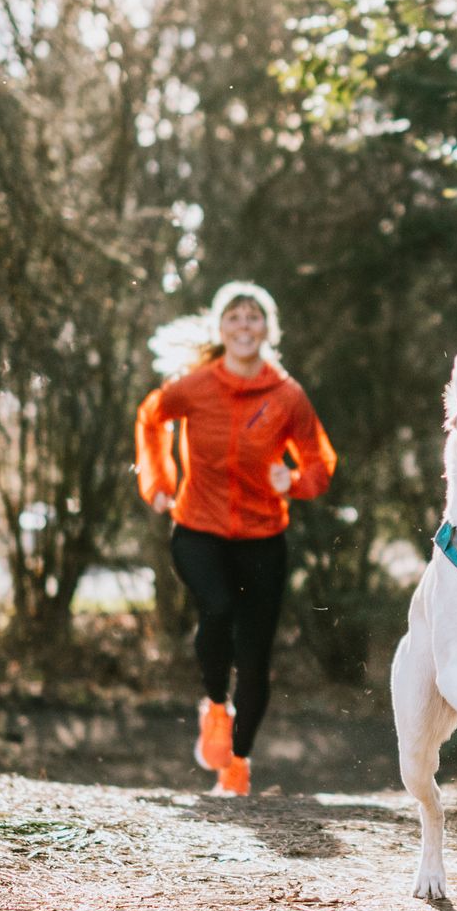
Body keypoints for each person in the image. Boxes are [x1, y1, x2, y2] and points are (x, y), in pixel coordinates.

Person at [134, 281, 337, 795]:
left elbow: (320, 463)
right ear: (220, 329)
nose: (244, 326)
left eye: (253, 318)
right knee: (218, 608)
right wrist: (158, 484)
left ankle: (238, 764)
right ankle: (215, 707)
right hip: (197, 528)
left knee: (254, 657)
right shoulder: (194, 386)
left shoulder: (287, 396)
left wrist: (291, 481)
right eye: (235, 317)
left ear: (267, 329)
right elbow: (150, 419)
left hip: (263, 537)